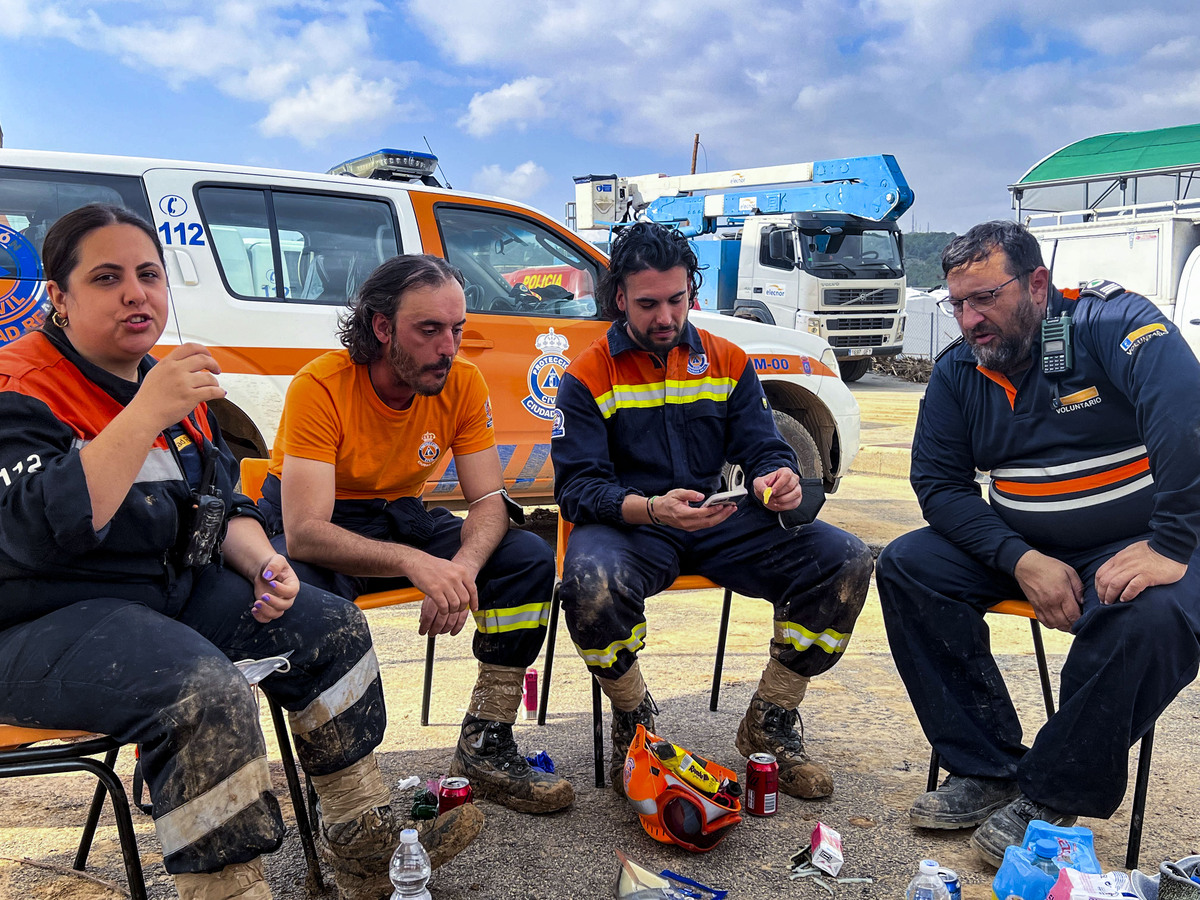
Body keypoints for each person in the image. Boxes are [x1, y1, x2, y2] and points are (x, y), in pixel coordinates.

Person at [0, 205, 481, 900]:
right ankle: (227, 888)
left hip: (158, 593)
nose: (137, 294)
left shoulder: (166, 382)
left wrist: (264, 561)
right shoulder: (22, 385)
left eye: (149, 275)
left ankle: (359, 837)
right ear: (59, 298)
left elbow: (220, 502)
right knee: (200, 691)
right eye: (107, 278)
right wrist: (143, 416)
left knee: (331, 628)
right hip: (38, 618)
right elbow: (44, 531)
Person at [876, 221, 1200, 866]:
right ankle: (987, 768)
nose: (970, 320)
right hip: (1028, 547)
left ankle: (1051, 790)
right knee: (909, 565)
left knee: (1159, 617)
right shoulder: (960, 371)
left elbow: (1186, 413)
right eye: (958, 303)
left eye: (986, 298)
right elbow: (938, 486)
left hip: (1140, 541)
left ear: (1038, 284)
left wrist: (1170, 542)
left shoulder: (1107, 325)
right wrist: (1020, 561)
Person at [551, 222, 874, 798]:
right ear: (619, 297)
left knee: (843, 558)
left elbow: (761, 443)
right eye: (648, 304)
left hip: (720, 522)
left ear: (690, 292)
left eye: (677, 300)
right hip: (635, 528)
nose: (665, 317)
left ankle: (770, 722)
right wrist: (651, 509)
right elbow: (577, 488)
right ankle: (633, 712)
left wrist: (780, 475)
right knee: (590, 584)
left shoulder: (727, 359)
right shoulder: (585, 373)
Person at [256, 253, 571, 816]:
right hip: (317, 525)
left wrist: (461, 573)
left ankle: (486, 743)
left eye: (456, 330)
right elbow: (304, 533)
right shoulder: (321, 385)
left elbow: (489, 502)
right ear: (381, 328)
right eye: (429, 330)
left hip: (397, 514)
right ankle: (348, 793)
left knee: (525, 558)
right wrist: (415, 563)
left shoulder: (462, 381)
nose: (448, 347)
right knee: (299, 601)